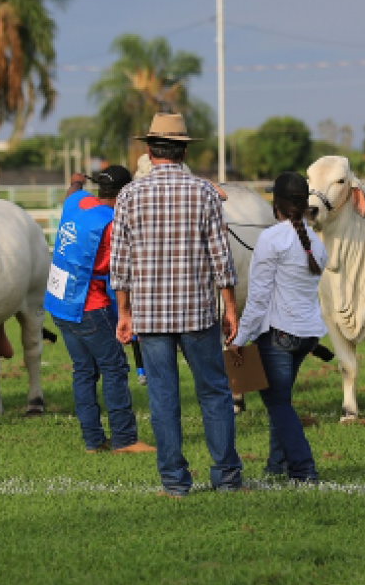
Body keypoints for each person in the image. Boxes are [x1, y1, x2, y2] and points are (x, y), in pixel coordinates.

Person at [111, 112, 243, 497]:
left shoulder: (129, 195)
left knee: (163, 397)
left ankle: (174, 482)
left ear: (150, 151)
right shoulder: (204, 193)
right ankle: (227, 478)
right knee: (214, 393)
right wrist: (230, 308)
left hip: (150, 316)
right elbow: (222, 259)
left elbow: (120, 265)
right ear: (184, 150)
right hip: (197, 312)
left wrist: (123, 312)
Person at [45, 165, 156, 456]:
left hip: (59, 305)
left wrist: (76, 180)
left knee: (83, 371)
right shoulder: (113, 223)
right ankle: (124, 439)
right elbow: (120, 274)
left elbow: (73, 191)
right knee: (114, 368)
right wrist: (126, 313)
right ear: (124, 193)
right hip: (90, 305)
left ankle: (93, 442)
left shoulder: (76, 201)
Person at [227, 172, 326, 483]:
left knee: (279, 405)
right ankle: (276, 464)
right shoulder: (315, 243)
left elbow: (257, 300)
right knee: (281, 400)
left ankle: (303, 467)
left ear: (277, 204)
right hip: (307, 335)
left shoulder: (271, 239)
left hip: (280, 335)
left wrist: (238, 339)